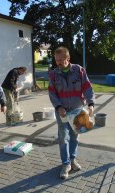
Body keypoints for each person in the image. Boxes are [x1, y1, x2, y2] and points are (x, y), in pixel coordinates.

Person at [48, 46, 95, 179]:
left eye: (61, 59)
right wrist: (58, 107)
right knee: (63, 137)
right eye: (56, 60)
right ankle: (65, 164)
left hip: (77, 110)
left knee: (75, 136)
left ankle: (73, 160)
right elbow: (52, 93)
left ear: (68, 58)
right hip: (62, 112)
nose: (59, 62)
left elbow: (87, 88)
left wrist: (91, 103)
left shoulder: (79, 71)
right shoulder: (53, 74)